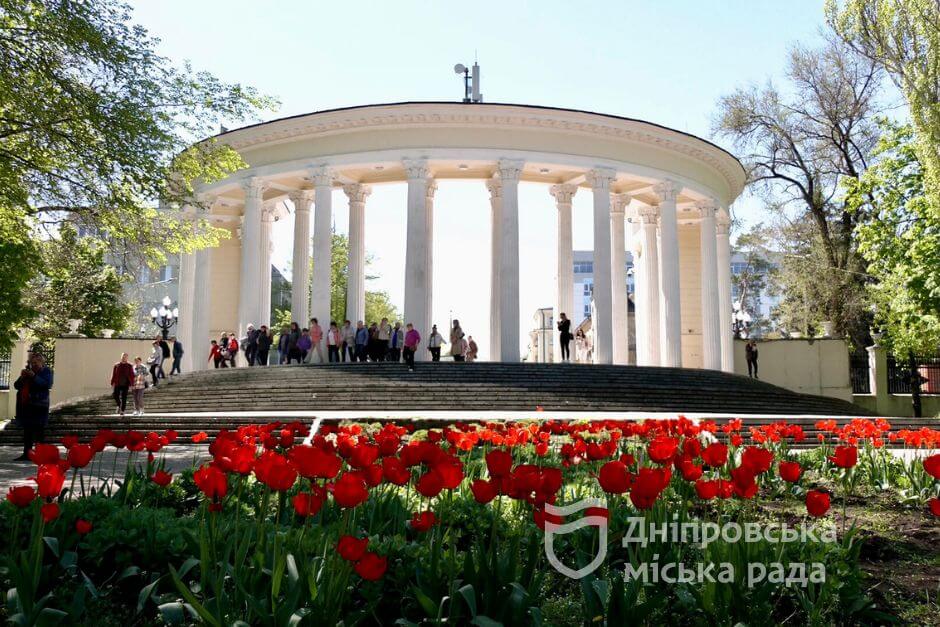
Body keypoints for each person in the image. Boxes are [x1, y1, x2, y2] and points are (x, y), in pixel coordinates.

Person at [13, 353, 53, 461]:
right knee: (27, 432)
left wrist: (34, 376)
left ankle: (40, 454)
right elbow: (16, 385)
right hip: (26, 406)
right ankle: (27, 453)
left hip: (40, 406)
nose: (33, 364)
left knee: (39, 431)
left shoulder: (46, 371)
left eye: (36, 362)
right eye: (32, 362)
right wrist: (22, 377)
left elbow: (47, 384)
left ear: (42, 362)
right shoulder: (27, 372)